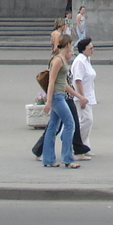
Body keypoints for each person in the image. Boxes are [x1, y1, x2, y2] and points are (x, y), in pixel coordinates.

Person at [42, 36, 83, 168]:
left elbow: (64, 84)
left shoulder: (63, 60)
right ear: (68, 45)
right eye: (71, 44)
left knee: (53, 126)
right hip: (57, 97)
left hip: (60, 95)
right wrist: (48, 101)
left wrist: (79, 96)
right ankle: (67, 158)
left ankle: (48, 159)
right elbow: (51, 81)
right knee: (70, 124)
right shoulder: (58, 60)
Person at [70, 37, 97, 156]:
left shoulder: (87, 59)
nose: (92, 50)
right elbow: (78, 80)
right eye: (90, 48)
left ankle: (84, 146)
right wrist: (82, 97)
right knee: (87, 120)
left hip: (89, 95)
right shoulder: (79, 61)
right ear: (83, 50)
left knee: (88, 121)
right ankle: (75, 143)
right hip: (82, 96)